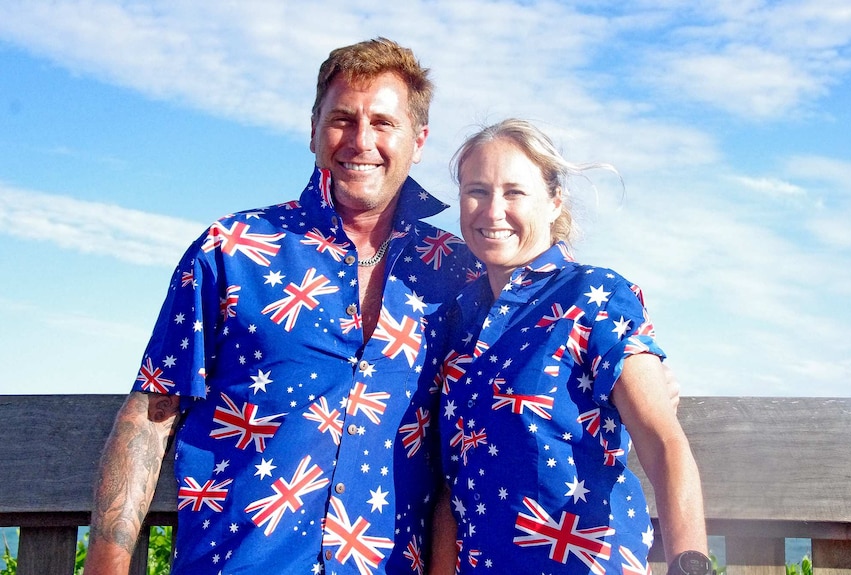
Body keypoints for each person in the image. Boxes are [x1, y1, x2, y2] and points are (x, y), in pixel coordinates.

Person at [83, 37, 479, 575]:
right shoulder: (231, 250)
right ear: (314, 128)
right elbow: (150, 420)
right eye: (342, 118)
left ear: (419, 139)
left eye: (384, 123)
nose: (361, 141)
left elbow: (471, 451)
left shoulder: (459, 274)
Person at [428, 119, 709, 574]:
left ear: (553, 201)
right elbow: (451, 484)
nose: (493, 211)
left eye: (514, 192)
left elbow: (661, 440)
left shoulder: (594, 297)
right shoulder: (457, 319)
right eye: (477, 190)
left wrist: (689, 564)